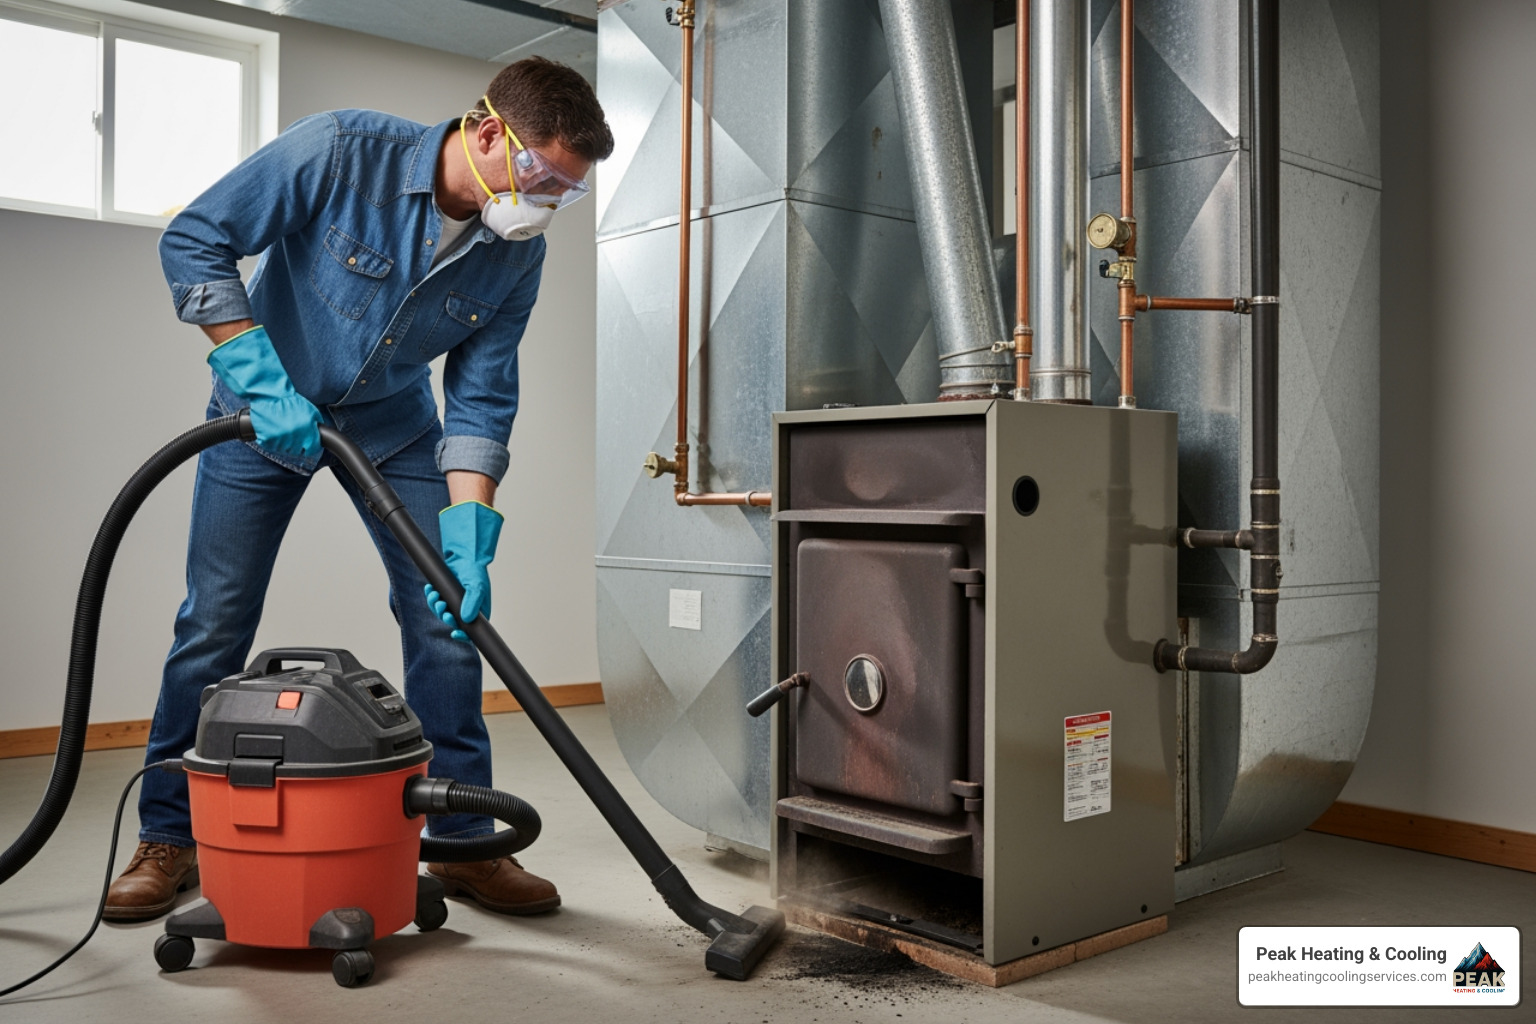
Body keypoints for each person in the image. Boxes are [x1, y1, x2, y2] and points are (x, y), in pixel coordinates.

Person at [103, 57, 613, 922]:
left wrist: (469, 523)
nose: (547, 203)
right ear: (490, 133)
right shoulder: (342, 150)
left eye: (567, 192)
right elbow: (193, 237)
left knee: (446, 614)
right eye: (541, 177)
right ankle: (169, 838)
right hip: (262, 410)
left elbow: (481, 394)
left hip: (394, 426)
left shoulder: (513, 255)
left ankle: (460, 842)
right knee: (214, 619)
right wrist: (260, 381)